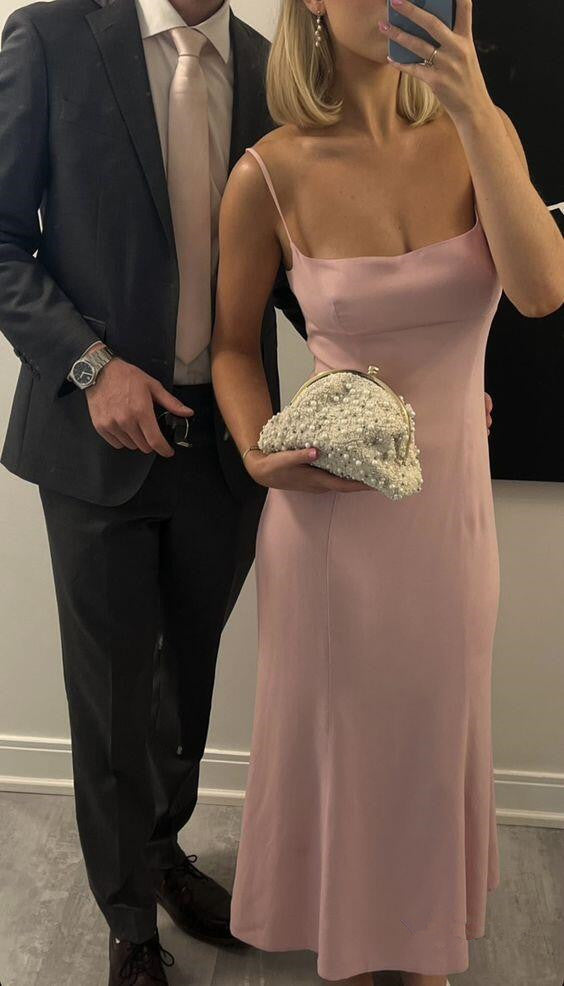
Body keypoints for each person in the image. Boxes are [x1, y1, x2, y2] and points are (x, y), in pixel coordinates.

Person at [210, 2, 564, 986]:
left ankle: (422, 948)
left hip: (451, 523)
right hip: (330, 527)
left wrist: (475, 108)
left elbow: (541, 291)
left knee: (431, 744)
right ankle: (359, 958)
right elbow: (232, 346)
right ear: (313, 5)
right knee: (346, 756)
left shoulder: (479, 134)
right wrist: (258, 451)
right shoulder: (268, 173)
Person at [0, 0, 306, 983]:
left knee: (189, 679)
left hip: (226, 440)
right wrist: (92, 368)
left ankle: (162, 849)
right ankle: (129, 917)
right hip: (96, 440)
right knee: (111, 695)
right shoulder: (49, 36)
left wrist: (400, 359)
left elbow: (298, 259)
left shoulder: (270, 68)